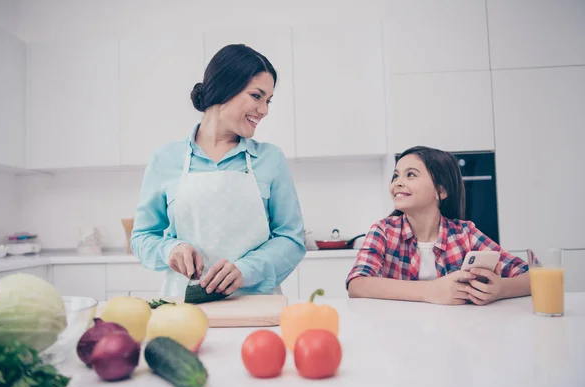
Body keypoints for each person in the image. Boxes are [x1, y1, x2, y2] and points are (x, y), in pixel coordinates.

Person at [131, 44, 306, 297]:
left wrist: (247, 269)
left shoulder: (270, 159)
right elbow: (143, 237)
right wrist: (171, 249)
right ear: (226, 87)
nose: (264, 110)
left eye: (268, 100)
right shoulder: (165, 159)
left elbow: (291, 240)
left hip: (255, 305)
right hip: (184, 309)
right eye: (257, 96)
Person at [346, 146, 530, 305]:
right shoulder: (383, 231)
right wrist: (431, 291)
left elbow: (532, 277)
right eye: (395, 176)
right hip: (398, 333)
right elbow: (357, 284)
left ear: (441, 191)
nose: (397, 182)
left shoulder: (465, 234)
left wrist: (500, 289)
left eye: (410, 175)